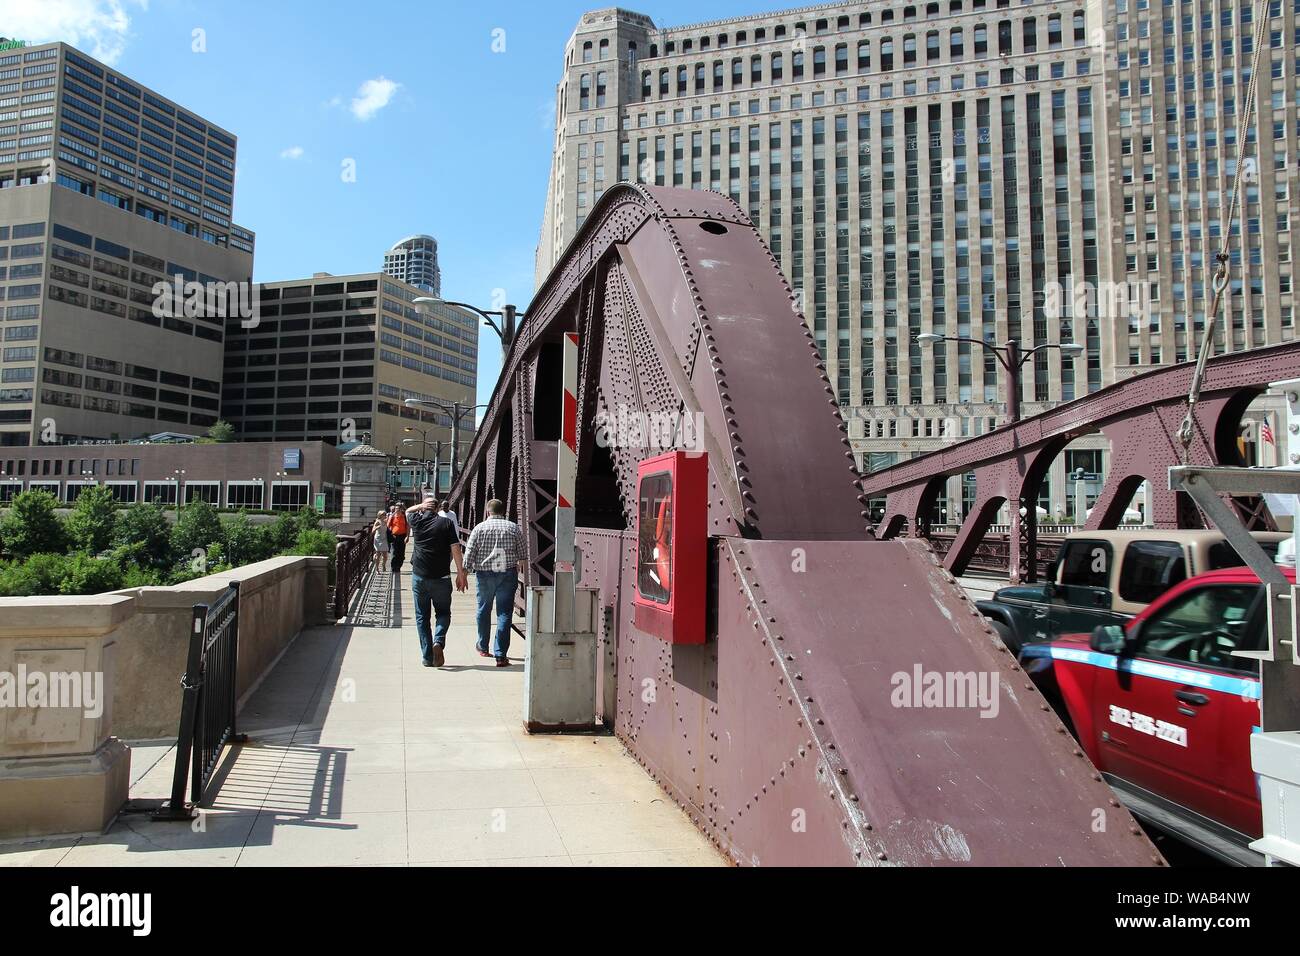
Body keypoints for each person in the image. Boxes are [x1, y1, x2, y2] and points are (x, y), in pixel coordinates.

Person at [406, 492, 467, 667]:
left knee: (421, 617)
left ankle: (427, 657)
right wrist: (460, 574)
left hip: (419, 577)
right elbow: (455, 548)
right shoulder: (446, 523)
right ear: (439, 508)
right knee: (443, 613)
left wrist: (419, 506)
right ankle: (438, 642)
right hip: (441, 577)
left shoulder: (416, 522)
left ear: (424, 508)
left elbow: (407, 511)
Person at [463, 498, 526, 667]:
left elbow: (469, 553)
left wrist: (464, 572)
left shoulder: (479, 528)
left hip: (484, 574)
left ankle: (483, 646)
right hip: (507, 573)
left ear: (487, 512)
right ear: (503, 511)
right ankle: (500, 655)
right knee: (504, 613)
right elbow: (522, 555)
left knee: (484, 609)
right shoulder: (513, 528)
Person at [387, 503, 410, 575]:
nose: (397, 510)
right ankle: (394, 568)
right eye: (396, 509)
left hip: (402, 536)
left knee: (401, 553)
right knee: (394, 552)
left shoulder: (405, 517)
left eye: (398, 509)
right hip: (394, 536)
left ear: (401, 509)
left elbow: (408, 527)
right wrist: (390, 535)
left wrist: (407, 536)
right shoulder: (392, 517)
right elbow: (387, 527)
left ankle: (399, 567)